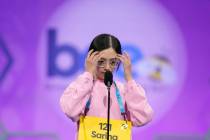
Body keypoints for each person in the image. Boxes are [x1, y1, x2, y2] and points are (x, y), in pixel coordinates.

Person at [60, 34, 153, 139]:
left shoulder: (123, 90)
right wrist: (88, 75)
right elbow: (70, 111)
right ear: (91, 59)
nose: (107, 67)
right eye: (101, 61)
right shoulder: (82, 85)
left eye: (113, 62)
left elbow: (143, 118)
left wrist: (129, 79)